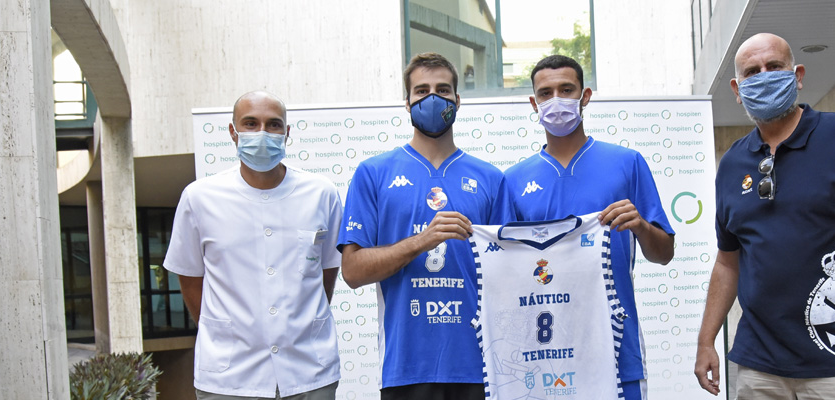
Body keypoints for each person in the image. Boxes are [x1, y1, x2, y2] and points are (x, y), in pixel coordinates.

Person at [694, 33, 835, 398]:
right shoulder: (732, 164)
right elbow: (727, 262)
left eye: (774, 66)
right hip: (759, 366)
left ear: (797, 76)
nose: (764, 77)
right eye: (752, 72)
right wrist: (706, 341)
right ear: (737, 88)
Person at [501, 54, 676, 400]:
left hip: (616, 349)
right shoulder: (514, 180)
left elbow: (664, 254)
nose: (556, 100)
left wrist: (641, 226)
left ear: (586, 96)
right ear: (534, 103)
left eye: (566, 90)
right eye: (546, 93)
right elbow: (505, 271)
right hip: (543, 354)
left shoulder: (627, 163)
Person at [337, 52, 505, 400]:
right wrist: (421, 240)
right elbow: (352, 272)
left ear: (457, 100)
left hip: (481, 365)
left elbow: (511, 272)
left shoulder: (490, 178)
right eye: (421, 91)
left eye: (442, 90)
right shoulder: (373, 173)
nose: (433, 98)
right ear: (407, 102)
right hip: (406, 368)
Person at [164, 91, 343, 399]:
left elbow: (327, 272)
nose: (262, 133)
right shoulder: (199, 198)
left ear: (287, 133)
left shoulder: (321, 193)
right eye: (250, 123)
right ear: (233, 132)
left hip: (308, 372)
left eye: (273, 125)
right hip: (230, 376)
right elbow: (191, 280)